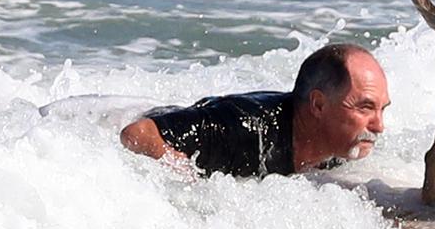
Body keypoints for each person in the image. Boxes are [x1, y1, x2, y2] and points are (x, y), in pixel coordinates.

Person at [120, 43, 389, 177]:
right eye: (365, 108)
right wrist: (186, 176)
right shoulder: (243, 126)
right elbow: (137, 133)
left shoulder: (340, 149)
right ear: (318, 105)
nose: (378, 126)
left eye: (381, 109)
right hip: (115, 121)